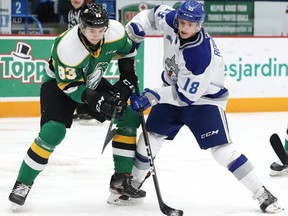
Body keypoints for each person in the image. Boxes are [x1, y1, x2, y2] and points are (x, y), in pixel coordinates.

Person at [126, 0, 284, 213]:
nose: (184, 28)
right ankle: (133, 185)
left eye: (190, 25)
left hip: (203, 100)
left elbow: (185, 96)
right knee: (149, 138)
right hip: (173, 90)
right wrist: (136, 30)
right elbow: (151, 16)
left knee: (222, 151)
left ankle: (262, 193)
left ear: (199, 25)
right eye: (182, 22)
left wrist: (151, 97)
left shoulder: (200, 55)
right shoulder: (172, 19)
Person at [8, 2, 145, 209]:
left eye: (100, 30)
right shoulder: (67, 47)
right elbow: (70, 87)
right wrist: (97, 101)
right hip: (59, 86)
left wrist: (127, 77)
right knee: (53, 131)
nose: (96, 34)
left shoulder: (115, 31)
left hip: (91, 80)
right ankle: (22, 184)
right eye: (91, 30)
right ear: (81, 26)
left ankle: (121, 181)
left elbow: (127, 52)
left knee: (128, 116)